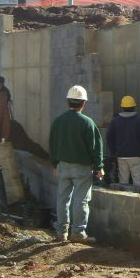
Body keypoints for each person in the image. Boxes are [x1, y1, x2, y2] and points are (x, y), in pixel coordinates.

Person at [49, 85, 104, 243]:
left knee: (62, 198)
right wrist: (99, 167)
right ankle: (78, 233)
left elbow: (52, 144)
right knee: (81, 199)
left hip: (63, 166)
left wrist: (54, 164)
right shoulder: (87, 123)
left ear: (68, 102)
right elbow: (96, 147)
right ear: (83, 103)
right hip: (82, 168)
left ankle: (61, 233)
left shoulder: (58, 122)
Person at [107, 95, 140, 192]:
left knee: (123, 182)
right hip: (137, 156)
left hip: (121, 156)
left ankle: (125, 204)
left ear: (122, 107)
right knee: (138, 182)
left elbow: (109, 138)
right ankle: (139, 203)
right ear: (134, 106)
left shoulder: (115, 121)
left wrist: (114, 152)